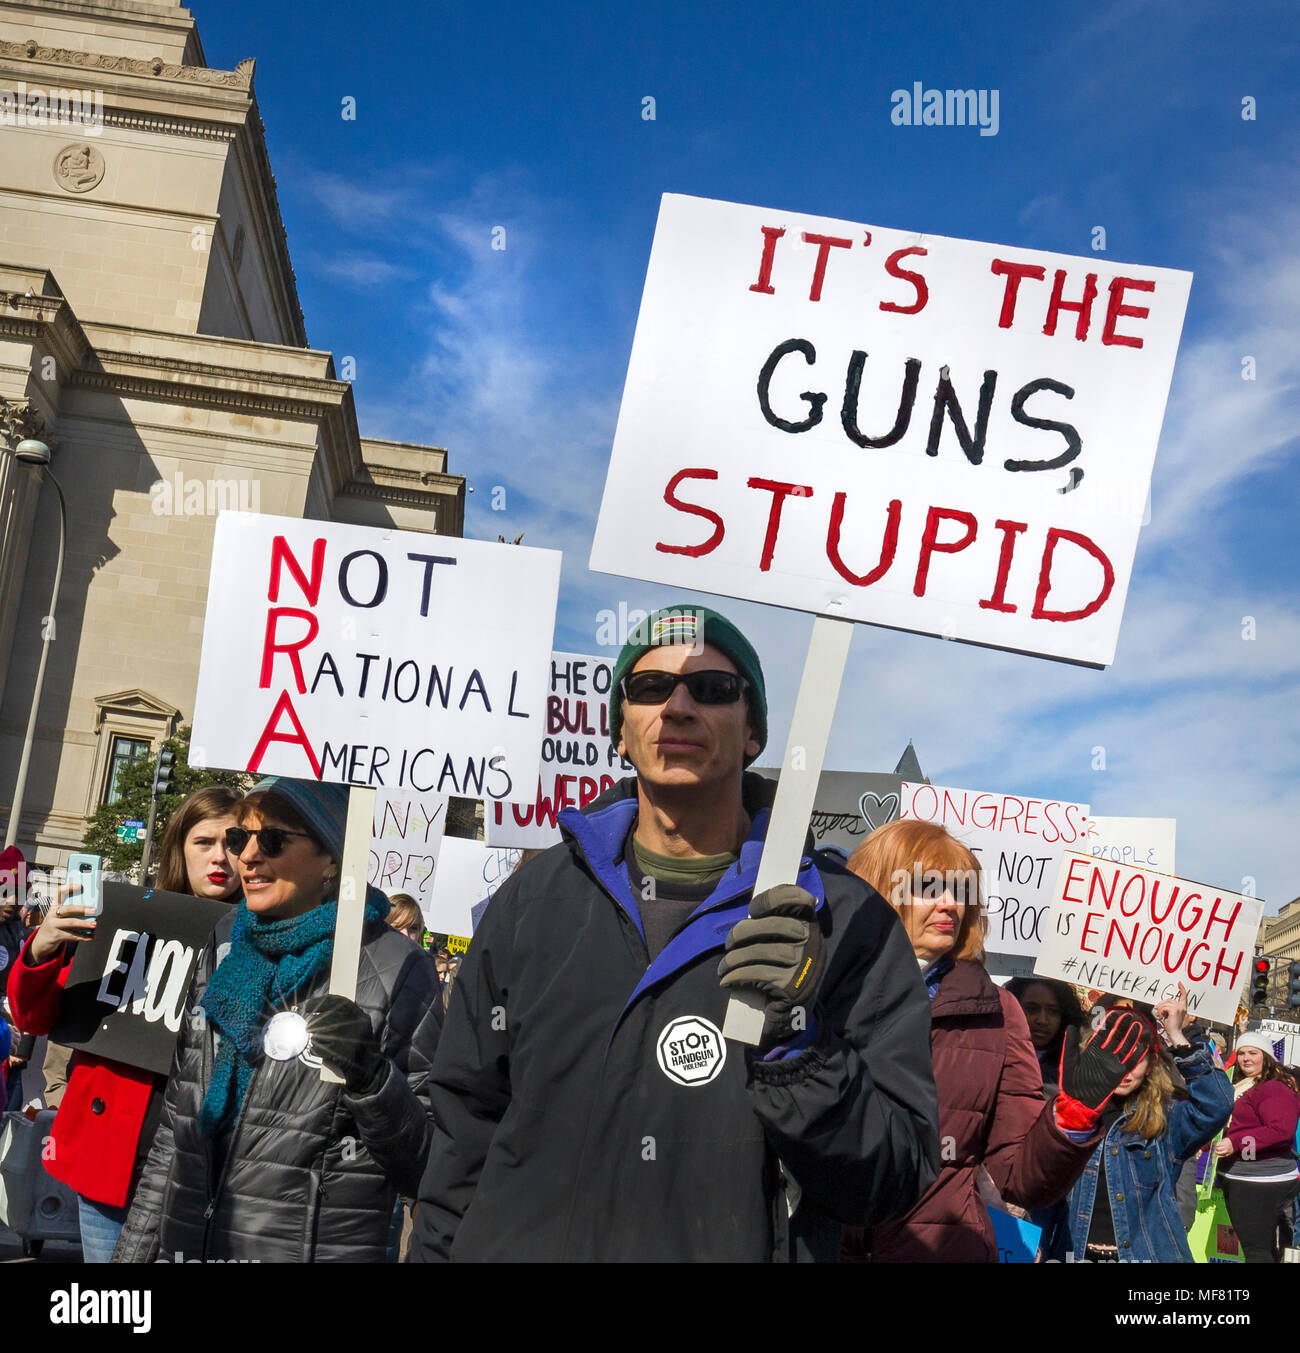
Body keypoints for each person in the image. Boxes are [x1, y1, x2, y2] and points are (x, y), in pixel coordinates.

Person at [413, 605, 940, 1262]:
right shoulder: (534, 897)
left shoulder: (845, 919)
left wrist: (800, 1053)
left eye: (714, 689)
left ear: (753, 733)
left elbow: (890, 1180)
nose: (679, 706)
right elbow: (464, 1131)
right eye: (650, 687)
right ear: (622, 731)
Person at [113, 776, 442, 1263]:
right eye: (239, 838)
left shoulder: (394, 968)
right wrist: (133, 1256)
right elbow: (177, 1126)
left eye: (272, 840)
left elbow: (430, 1167)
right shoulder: (226, 939)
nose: (245, 856)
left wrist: (372, 1080)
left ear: (332, 858)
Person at [844, 820, 1128, 1262]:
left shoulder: (998, 1012)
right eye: (929, 885)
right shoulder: (818, 987)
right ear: (880, 887)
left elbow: (1021, 1179)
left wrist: (1069, 1121)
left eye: (960, 891)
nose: (949, 903)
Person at [9, 786, 243, 1262]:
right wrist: (42, 947)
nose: (220, 857)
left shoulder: (263, 936)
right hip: (113, 1161)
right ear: (179, 847)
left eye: (235, 841)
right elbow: (34, 1016)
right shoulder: (123, 919)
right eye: (204, 842)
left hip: (212, 1170)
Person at [1055, 990, 1233, 1262]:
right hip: (1073, 1253)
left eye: (1136, 1056)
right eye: (1110, 1053)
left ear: (1151, 1065)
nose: (1123, 1067)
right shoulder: (1068, 1113)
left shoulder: (1166, 1117)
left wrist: (1178, 1035)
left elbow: (1217, 1105)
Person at [1215, 1032, 1300, 1263]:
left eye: (1253, 1053)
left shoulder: (1272, 1088)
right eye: (1241, 1053)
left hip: (1260, 1181)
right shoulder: (1245, 1086)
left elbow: (1281, 1129)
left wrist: (1236, 1143)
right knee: (1260, 1250)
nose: (1245, 1058)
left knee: (1256, 1252)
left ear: (1267, 1057)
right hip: (1244, 1177)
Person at [1005, 977, 1085, 1098]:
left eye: (1053, 1011)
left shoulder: (1076, 1066)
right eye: (1032, 1009)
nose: (1042, 1020)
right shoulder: (995, 1055)